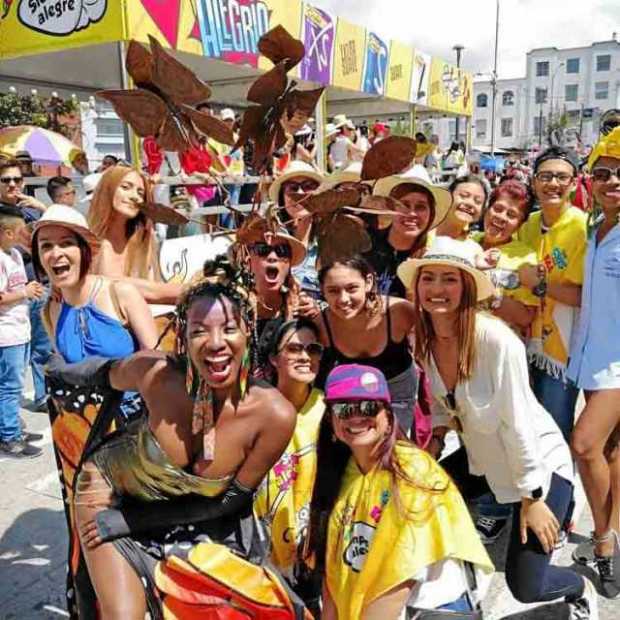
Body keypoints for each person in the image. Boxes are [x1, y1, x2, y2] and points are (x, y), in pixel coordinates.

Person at [46, 257, 300, 619]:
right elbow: (102, 374)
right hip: (108, 497)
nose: (215, 343)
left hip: (189, 516)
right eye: (199, 331)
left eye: (228, 328)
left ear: (249, 331)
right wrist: (58, 371)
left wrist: (134, 522)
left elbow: (228, 501)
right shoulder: (157, 375)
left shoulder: (274, 416)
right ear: (182, 337)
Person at [398, 236, 598, 619]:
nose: (437, 290)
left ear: (468, 286)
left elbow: (518, 423)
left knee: (527, 586)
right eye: (429, 279)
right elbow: (443, 403)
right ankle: (453, 586)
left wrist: (531, 499)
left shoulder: (495, 340)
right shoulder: (421, 338)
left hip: (537, 468)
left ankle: (578, 588)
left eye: (450, 280)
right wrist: (437, 437)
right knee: (419, 495)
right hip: (484, 461)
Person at [307, 364, 493, 619]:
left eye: (369, 407)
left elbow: (398, 579)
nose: (356, 417)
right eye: (344, 409)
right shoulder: (340, 474)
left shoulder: (413, 472)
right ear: (331, 420)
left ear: (388, 416)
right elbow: (333, 578)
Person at [567, 128, 620, 597]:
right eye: (604, 172)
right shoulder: (592, 226)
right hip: (591, 356)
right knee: (608, 452)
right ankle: (614, 538)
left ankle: (603, 544)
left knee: (584, 444)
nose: (613, 181)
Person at [254, 318, 326, 613]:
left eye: (313, 349)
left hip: (314, 551)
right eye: (294, 348)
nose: (305, 356)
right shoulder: (255, 406)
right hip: (261, 547)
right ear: (274, 358)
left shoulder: (332, 409)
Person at [517, 146, 586, 442]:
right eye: (545, 176)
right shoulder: (528, 224)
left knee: (555, 432)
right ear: (534, 182)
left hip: (562, 350)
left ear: (574, 182)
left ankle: (559, 489)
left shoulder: (582, 227)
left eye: (561, 177)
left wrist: (540, 284)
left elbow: (583, 295)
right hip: (525, 340)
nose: (552, 184)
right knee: (525, 428)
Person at [316, 256, 418, 437]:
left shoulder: (398, 312)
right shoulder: (321, 325)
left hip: (397, 401)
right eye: (333, 291)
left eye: (351, 288)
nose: (343, 299)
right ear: (322, 291)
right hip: (350, 406)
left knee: (389, 452)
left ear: (368, 282)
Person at [88, 165, 182, 305]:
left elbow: (152, 289)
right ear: (107, 189)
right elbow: (115, 287)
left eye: (140, 193)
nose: (134, 197)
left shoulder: (143, 239)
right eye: (125, 187)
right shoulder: (91, 242)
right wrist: (193, 288)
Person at [0, 158, 50, 412]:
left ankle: (42, 397)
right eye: (6, 180)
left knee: (42, 348)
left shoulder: (31, 210)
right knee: (11, 364)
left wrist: (42, 208)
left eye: (17, 179)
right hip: (9, 298)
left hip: (38, 288)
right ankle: (8, 423)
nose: (12, 184)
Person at [0, 205, 43, 458]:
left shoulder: (14, 254)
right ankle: (10, 437)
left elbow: (15, 288)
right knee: (10, 386)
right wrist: (24, 293)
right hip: (7, 334)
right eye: (19, 231)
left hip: (21, 329)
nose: (23, 234)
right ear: (6, 232)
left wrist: (28, 288)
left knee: (13, 384)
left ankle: (11, 427)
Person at [369, 165, 452, 297]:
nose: (412, 213)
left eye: (420, 207)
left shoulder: (433, 258)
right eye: (404, 205)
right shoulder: (365, 246)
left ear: (431, 214)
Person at [473, 180, 538, 336]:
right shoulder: (467, 242)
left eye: (512, 215)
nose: (501, 217)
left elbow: (526, 317)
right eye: (498, 209)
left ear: (520, 225)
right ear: (487, 209)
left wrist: (486, 294)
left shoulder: (526, 257)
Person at [268, 161, 323, 299]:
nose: (300, 193)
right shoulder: (271, 236)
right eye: (292, 188)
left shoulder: (330, 235)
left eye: (308, 187)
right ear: (282, 197)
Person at [436, 174, 488, 243]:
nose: (470, 203)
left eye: (478, 201)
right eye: (464, 196)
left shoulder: (473, 249)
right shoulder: (423, 230)